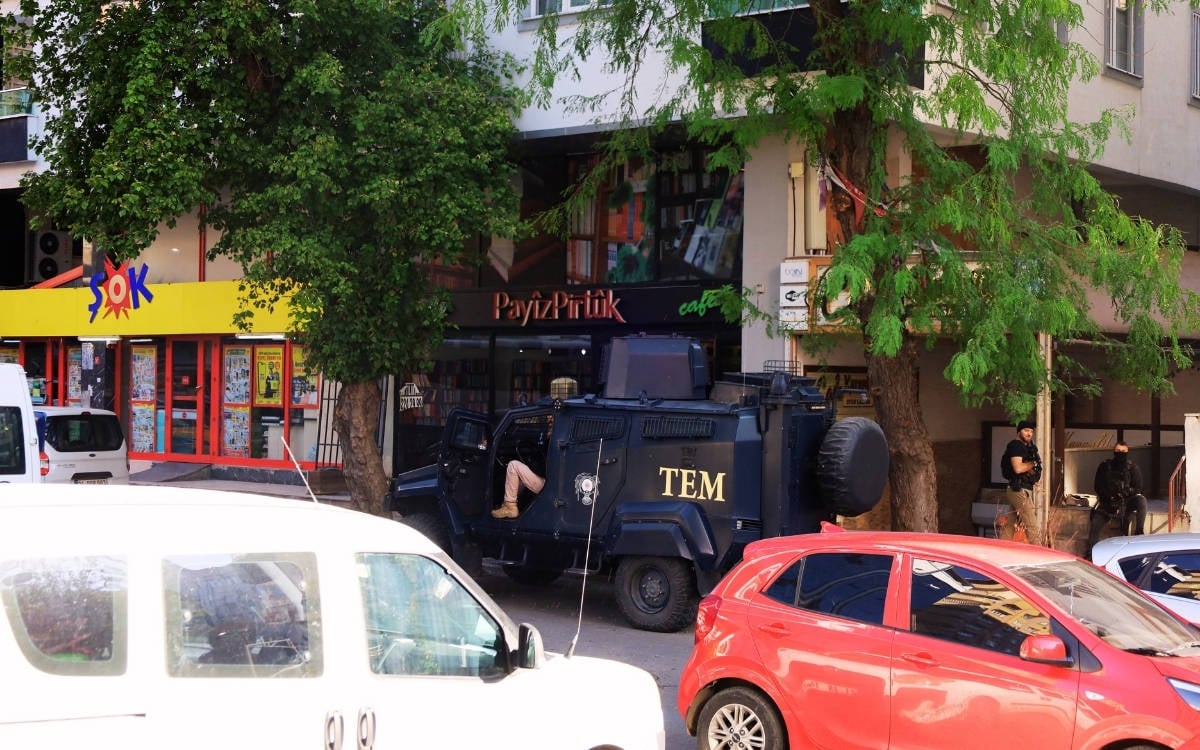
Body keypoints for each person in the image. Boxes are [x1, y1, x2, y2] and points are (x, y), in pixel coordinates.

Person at [1088, 441, 1148, 551]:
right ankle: (1090, 554)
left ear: (1127, 452)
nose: (1121, 454)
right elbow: (1098, 486)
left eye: (1124, 451)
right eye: (1118, 451)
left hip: (1126, 503)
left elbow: (1139, 487)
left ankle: (1139, 532)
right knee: (1095, 526)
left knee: (1141, 500)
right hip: (1107, 503)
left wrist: (1127, 492)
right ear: (1114, 452)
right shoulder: (1105, 466)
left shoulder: (1132, 468)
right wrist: (1110, 497)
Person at [999, 420, 1041, 541]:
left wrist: (1033, 479)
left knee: (1009, 526)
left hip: (1018, 488)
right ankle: (1039, 555)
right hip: (1018, 489)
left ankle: (1001, 552)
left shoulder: (1025, 447)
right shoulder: (1016, 445)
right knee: (1032, 526)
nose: (1029, 434)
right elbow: (1018, 468)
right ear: (1019, 432)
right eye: (1026, 430)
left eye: (1031, 431)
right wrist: (1032, 464)